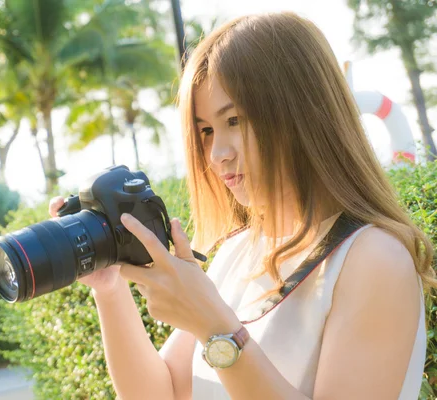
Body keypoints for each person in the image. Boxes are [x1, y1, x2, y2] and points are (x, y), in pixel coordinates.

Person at [49, 11, 435, 400]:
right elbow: (158, 393)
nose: (217, 154)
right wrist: (109, 290)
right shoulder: (238, 251)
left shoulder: (374, 259)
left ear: (302, 113)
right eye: (206, 130)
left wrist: (216, 328)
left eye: (233, 119)